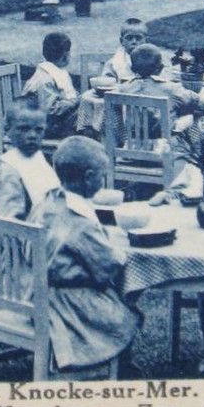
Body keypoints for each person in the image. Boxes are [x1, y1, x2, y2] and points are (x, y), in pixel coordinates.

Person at [29, 137, 141, 372]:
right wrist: (118, 249)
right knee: (126, 311)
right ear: (89, 177)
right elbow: (109, 266)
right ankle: (119, 365)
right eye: (102, 176)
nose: (103, 180)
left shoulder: (48, 201)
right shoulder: (79, 221)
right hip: (66, 302)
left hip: (32, 292)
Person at [0, 98, 60, 220]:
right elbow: (9, 223)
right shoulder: (11, 171)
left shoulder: (37, 158)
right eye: (24, 129)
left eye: (39, 130)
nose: (32, 136)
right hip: (34, 234)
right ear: (8, 130)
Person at [116, 44, 204, 118]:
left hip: (131, 140)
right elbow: (203, 103)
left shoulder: (122, 90)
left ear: (132, 69)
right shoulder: (172, 89)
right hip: (166, 140)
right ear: (161, 68)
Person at [22, 31, 80, 140]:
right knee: (84, 124)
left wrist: (75, 98)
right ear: (65, 56)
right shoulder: (45, 78)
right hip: (38, 127)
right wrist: (74, 101)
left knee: (83, 118)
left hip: (45, 121)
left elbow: (63, 94)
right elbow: (51, 110)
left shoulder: (54, 71)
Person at [100, 18, 150, 83]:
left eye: (138, 38)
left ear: (146, 40)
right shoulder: (113, 64)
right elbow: (106, 85)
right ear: (122, 41)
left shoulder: (154, 61)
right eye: (129, 38)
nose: (134, 42)